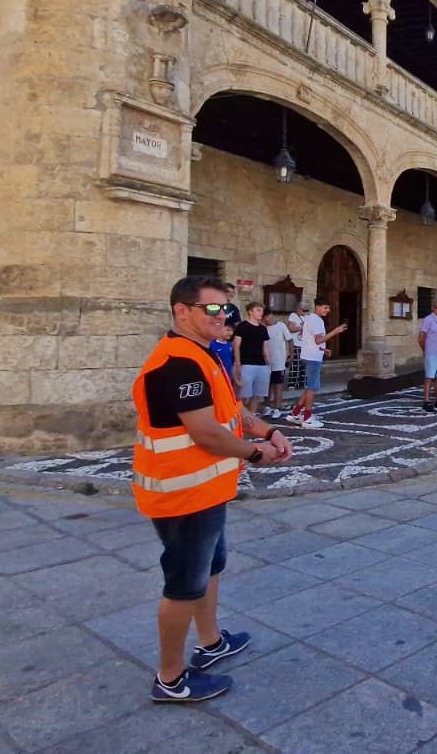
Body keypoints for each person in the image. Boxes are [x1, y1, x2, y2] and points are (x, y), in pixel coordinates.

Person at [133, 276, 295, 704]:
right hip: (182, 494)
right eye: (211, 308)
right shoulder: (177, 362)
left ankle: (210, 643)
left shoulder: (201, 355)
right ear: (181, 311)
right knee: (185, 582)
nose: (222, 315)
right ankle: (170, 677)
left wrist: (268, 429)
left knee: (211, 566)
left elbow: (232, 411)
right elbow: (205, 432)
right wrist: (256, 453)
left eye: (225, 308)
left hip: (208, 490)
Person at [290, 301, 346, 429]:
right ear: (317, 307)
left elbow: (310, 341)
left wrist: (323, 350)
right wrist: (335, 331)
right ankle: (308, 417)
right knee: (312, 388)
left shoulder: (308, 319)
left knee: (310, 386)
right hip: (312, 359)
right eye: (325, 307)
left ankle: (296, 412)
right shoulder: (317, 321)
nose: (328, 310)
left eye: (329, 308)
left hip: (309, 355)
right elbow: (318, 340)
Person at [230, 303, 270, 415]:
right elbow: (236, 345)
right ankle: (240, 415)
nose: (260, 313)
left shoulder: (263, 328)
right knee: (243, 394)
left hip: (261, 364)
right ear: (250, 312)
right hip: (246, 363)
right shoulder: (242, 326)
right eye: (258, 310)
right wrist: (237, 362)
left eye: (261, 310)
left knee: (258, 394)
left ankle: (252, 415)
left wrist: (269, 362)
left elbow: (265, 346)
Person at [261, 310, 295, 419]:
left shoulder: (281, 326)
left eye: (269, 316)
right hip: (266, 362)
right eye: (265, 317)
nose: (268, 319)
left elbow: (290, 340)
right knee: (266, 386)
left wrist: (291, 354)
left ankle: (277, 407)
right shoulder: (262, 328)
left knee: (278, 385)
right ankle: (268, 406)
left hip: (279, 361)